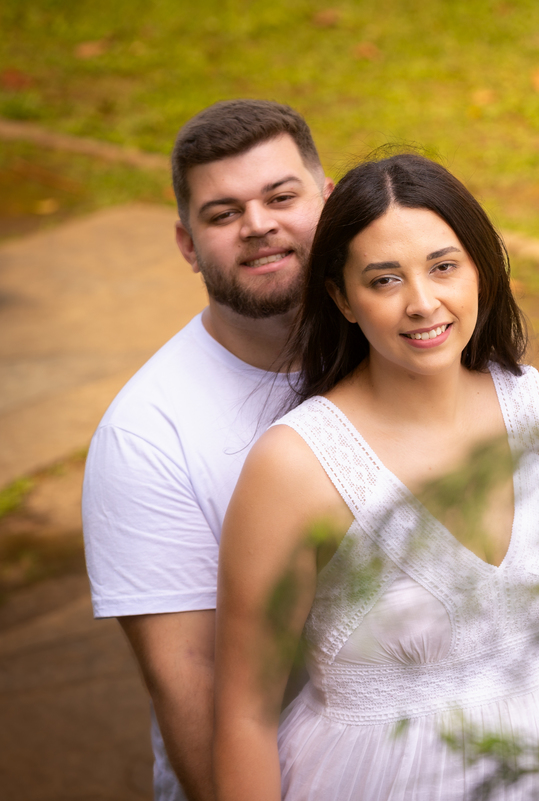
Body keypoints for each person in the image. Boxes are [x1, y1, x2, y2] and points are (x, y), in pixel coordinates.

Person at [213, 153, 539, 800]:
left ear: (482, 271)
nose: (422, 303)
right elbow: (244, 715)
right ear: (342, 298)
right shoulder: (296, 464)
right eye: (385, 279)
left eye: (444, 266)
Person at [81, 99, 335, 801]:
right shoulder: (147, 434)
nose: (258, 225)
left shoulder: (400, 346)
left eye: (281, 197)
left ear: (329, 202)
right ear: (188, 244)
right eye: (223, 213)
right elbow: (188, 681)